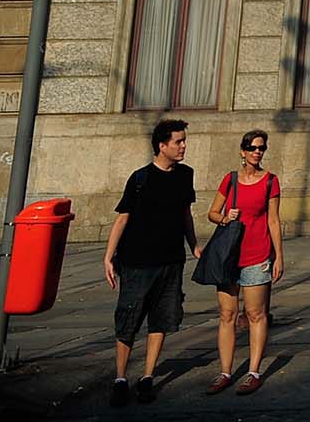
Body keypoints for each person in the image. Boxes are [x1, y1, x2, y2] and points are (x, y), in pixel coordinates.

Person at [103, 118, 199, 406]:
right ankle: (120, 378)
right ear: (162, 145)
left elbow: (185, 214)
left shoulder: (185, 175)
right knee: (128, 319)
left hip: (171, 260)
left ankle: (147, 377)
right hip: (137, 261)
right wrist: (108, 256)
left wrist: (194, 244)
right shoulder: (140, 178)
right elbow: (123, 217)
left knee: (162, 319)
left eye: (184, 140)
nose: (183, 146)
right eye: (178, 141)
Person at [204, 129, 284, 396]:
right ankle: (225, 372)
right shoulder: (231, 180)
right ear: (242, 151)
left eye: (261, 148)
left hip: (257, 255)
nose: (257, 152)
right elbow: (212, 214)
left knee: (255, 314)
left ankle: (253, 372)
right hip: (229, 257)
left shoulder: (271, 181)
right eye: (252, 148)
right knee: (227, 315)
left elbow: (273, 220)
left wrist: (278, 257)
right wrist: (226, 217)